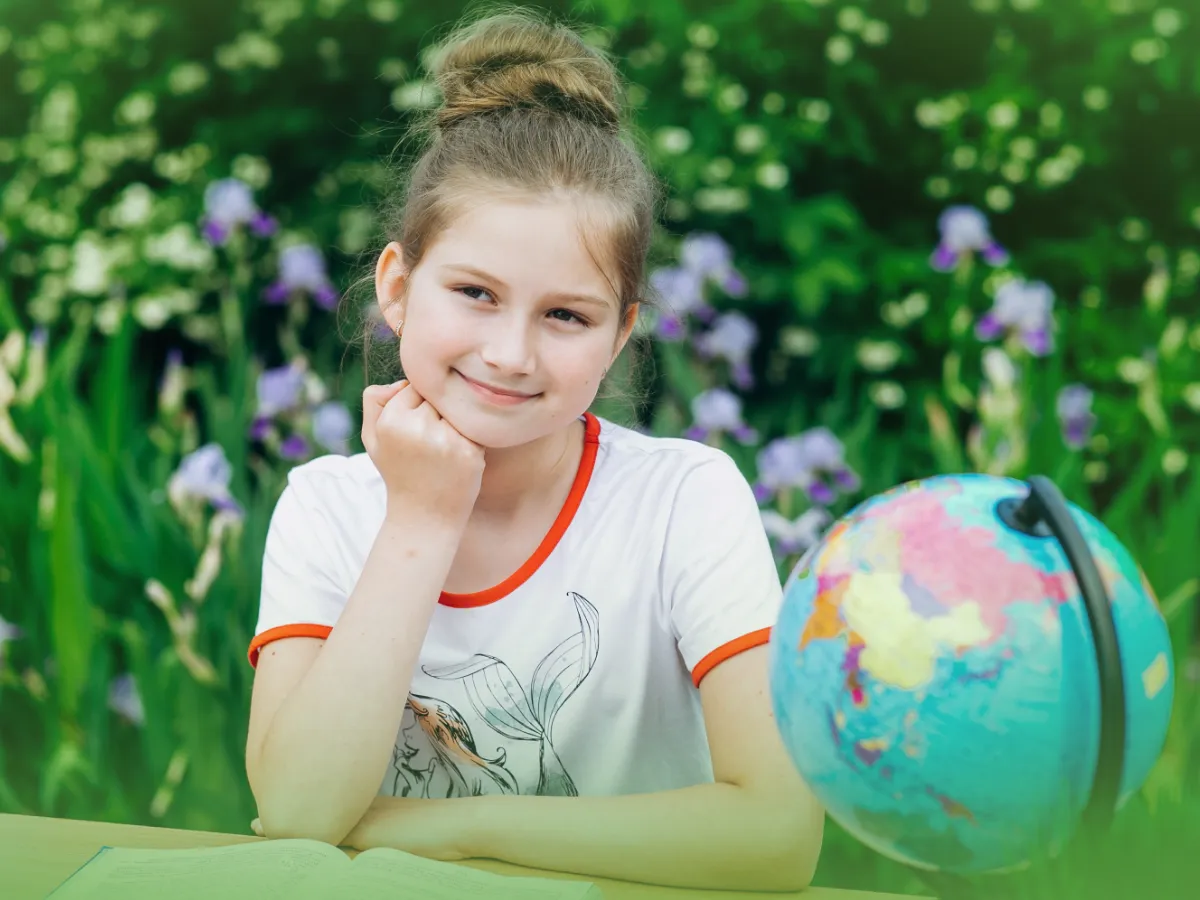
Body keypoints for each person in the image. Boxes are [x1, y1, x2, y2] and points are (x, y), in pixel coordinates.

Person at [243, 7, 824, 892]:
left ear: (622, 334)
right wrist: (424, 516)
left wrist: (456, 828)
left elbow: (780, 835)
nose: (511, 354)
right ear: (397, 287)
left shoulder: (684, 499)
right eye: (475, 292)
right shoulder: (327, 507)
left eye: (566, 315)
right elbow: (297, 810)